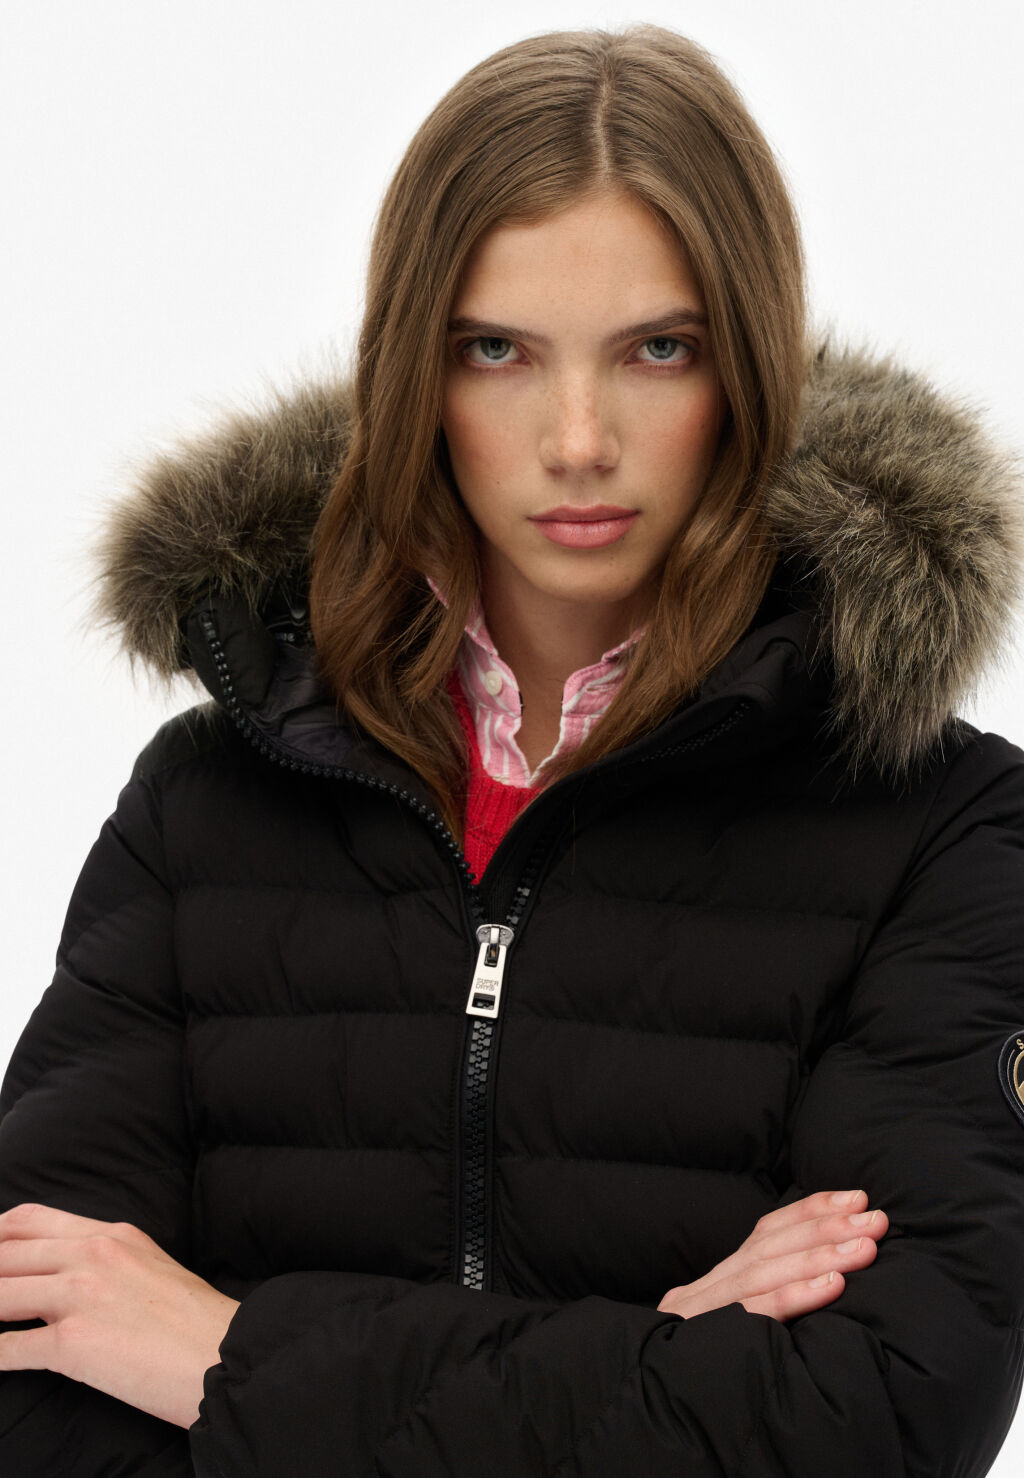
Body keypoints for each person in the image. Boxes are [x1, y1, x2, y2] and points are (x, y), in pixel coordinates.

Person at [1, 21, 1023, 1476]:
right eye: (498, 351)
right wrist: (656, 1353)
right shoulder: (204, 808)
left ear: (750, 368)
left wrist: (222, 1354)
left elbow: (881, 1418)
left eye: (660, 349)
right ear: (413, 374)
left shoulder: (947, 827)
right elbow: (34, 1387)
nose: (579, 438)